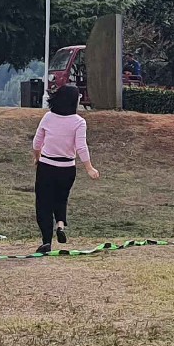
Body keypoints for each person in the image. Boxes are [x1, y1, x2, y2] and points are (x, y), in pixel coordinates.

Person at [32, 85, 99, 254]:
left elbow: (37, 142)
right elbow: (81, 146)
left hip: (46, 166)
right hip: (67, 168)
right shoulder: (79, 122)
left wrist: (37, 157)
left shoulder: (48, 117)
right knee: (61, 198)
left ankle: (46, 241)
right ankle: (60, 225)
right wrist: (89, 168)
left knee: (44, 203)